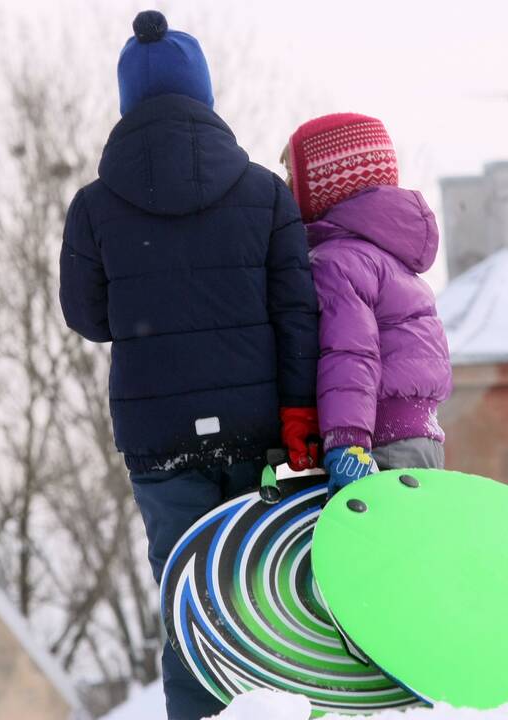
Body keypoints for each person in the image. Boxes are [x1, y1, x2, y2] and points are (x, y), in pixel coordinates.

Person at [59, 10, 318, 719]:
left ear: (126, 103)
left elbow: (85, 318)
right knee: (266, 593)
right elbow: (298, 315)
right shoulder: (265, 193)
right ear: (202, 94)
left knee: (189, 601)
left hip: (159, 437)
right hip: (258, 429)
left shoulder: (93, 207)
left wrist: (152, 312)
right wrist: (298, 415)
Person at [281, 113, 452, 497]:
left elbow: (351, 353)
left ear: (327, 184)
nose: (287, 189)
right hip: (420, 439)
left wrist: (348, 442)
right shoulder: (391, 258)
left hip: (379, 444)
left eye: (294, 177)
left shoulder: (339, 261)